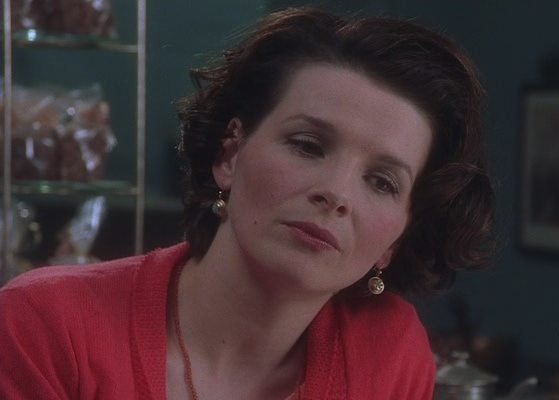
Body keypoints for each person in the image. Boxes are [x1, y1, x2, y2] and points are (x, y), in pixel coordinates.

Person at [0, 7, 495, 400]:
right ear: (230, 155)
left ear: (396, 238)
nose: (337, 193)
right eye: (307, 145)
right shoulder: (44, 323)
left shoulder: (387, 352)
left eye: (383, 182)